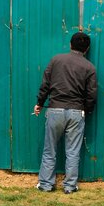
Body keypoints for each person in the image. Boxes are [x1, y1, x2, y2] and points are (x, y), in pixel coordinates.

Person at [33, 32, 97, 194]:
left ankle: (46, 184)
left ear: (70, 44)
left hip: (55, 109)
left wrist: (40, 103)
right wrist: (86, 110)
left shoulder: (56, 60)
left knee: (50, 149)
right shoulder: (89, 67)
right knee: (73, 151)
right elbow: (91, 95)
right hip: (76, 112)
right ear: (87, 48)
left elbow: (45, 84)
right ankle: (69, 186)